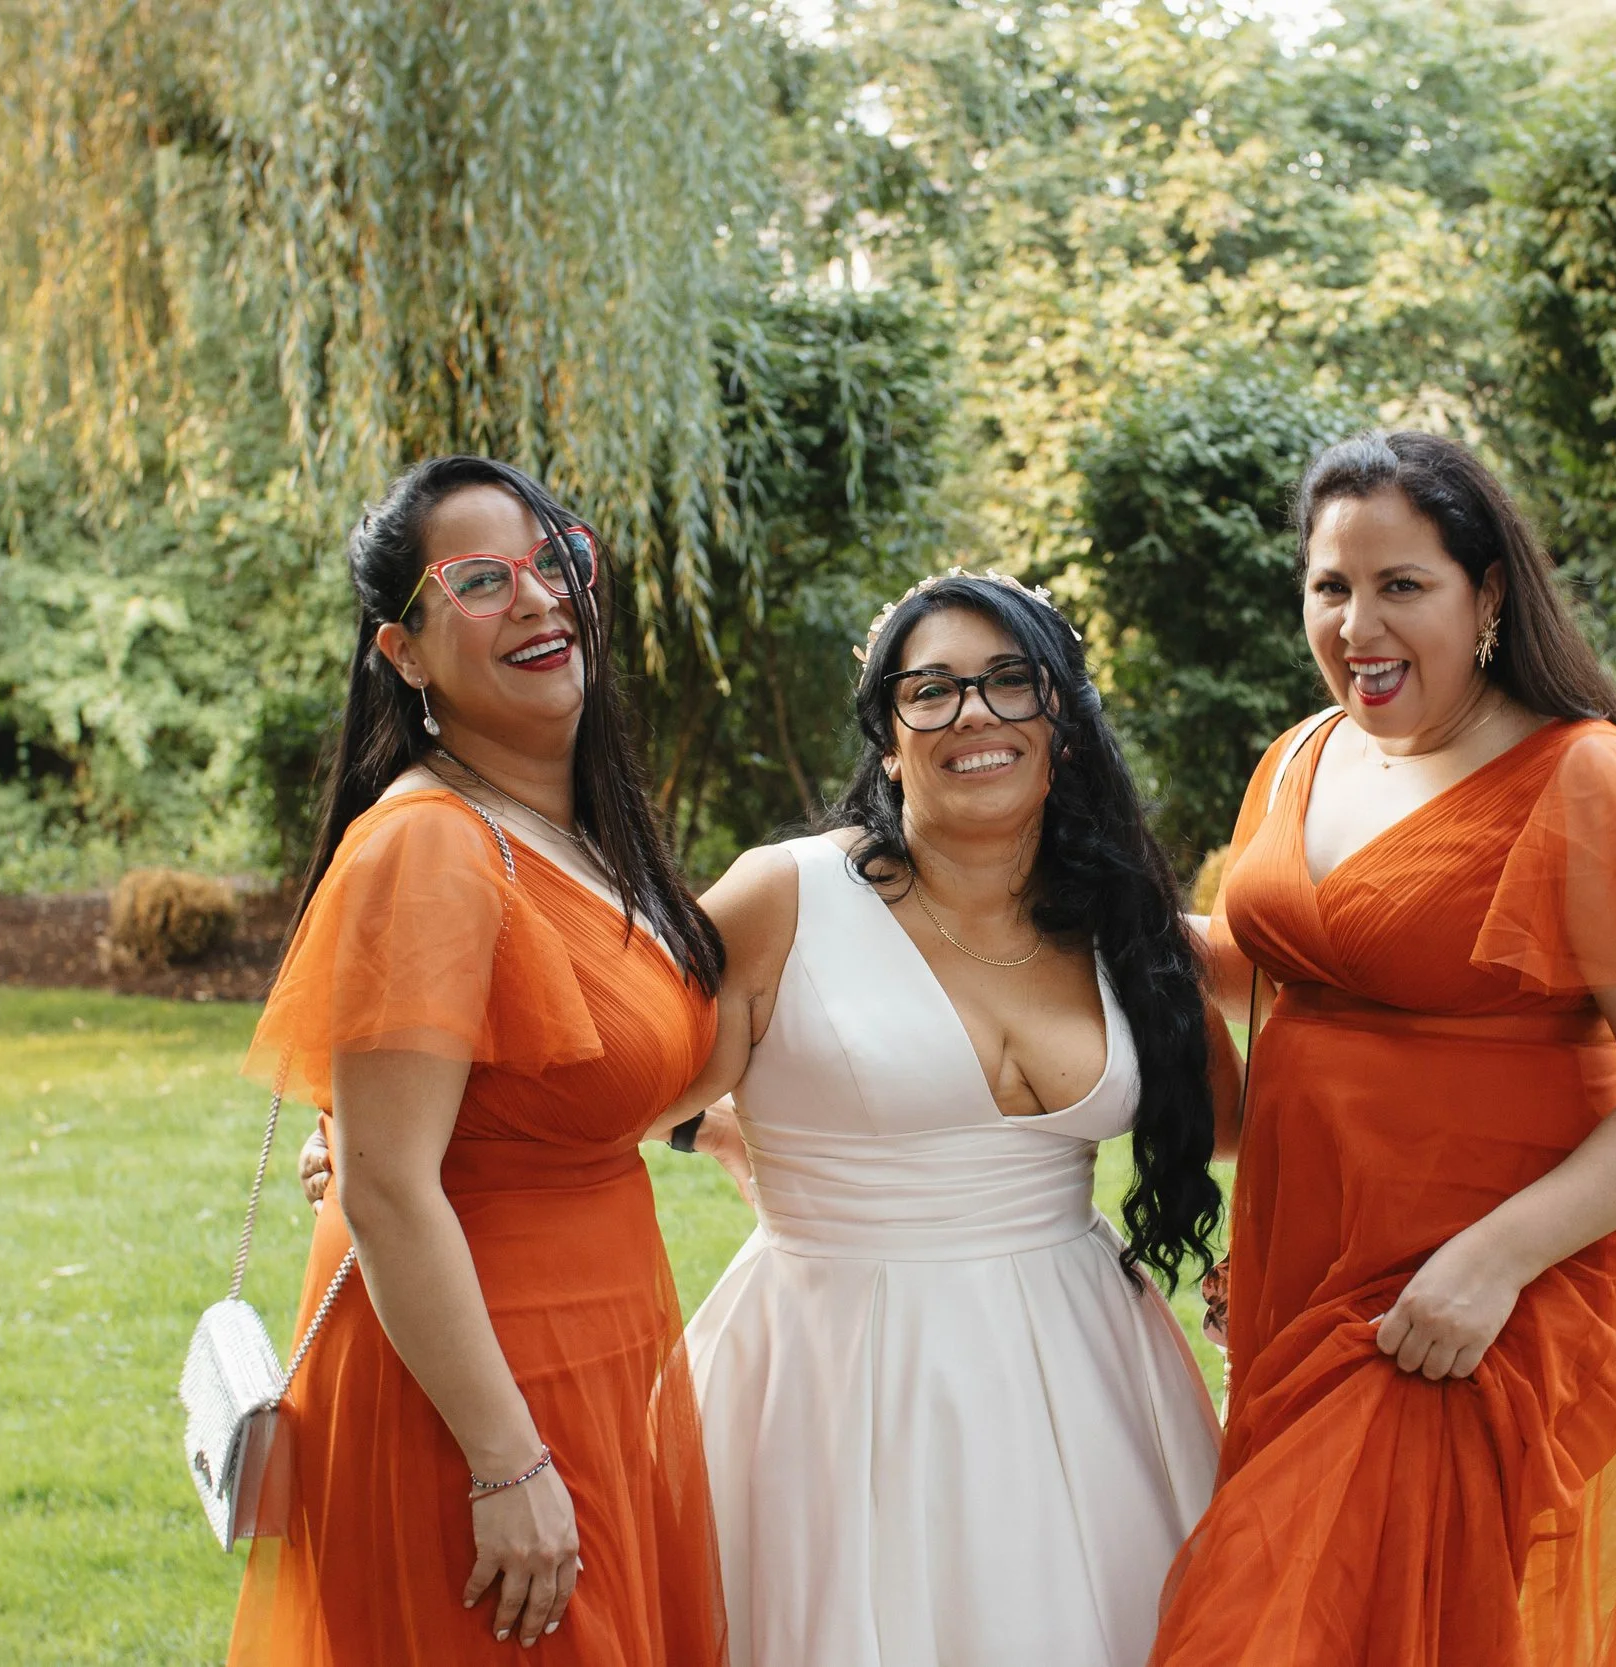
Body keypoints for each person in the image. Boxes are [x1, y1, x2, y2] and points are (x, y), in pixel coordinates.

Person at [1150, 432, 1616, 1667]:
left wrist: (1490, 1262)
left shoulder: (1586, 781)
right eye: (1330, 586)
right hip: (1308, 1266)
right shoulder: (1300, 757)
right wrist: (1065, 900)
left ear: (1485, 595)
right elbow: (1273, 962)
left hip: (1480, 1292)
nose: (1357, 624)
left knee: (1263, 1629)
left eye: (1401, 585)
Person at [676, 571, 1232, 1667]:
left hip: (1084, 1364)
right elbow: (610, 1069)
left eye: (1008, 681)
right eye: (930, 691)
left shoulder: (1123, 920)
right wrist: (410, 1133)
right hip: (833, 1368)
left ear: (1060, 720)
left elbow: (1259, 1112)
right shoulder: (782, 896)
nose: (973, 713)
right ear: (889, 741)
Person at [228, 455, 729, 1666]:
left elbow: (566, 1084)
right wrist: (504, 1460)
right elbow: (388, 1186)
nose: (540, 597)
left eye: (556, 561)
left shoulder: (569, 831)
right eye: (483, 579)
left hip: (597, 1343)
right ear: (403, 652)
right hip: (479, 1391)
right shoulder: (430, 845)